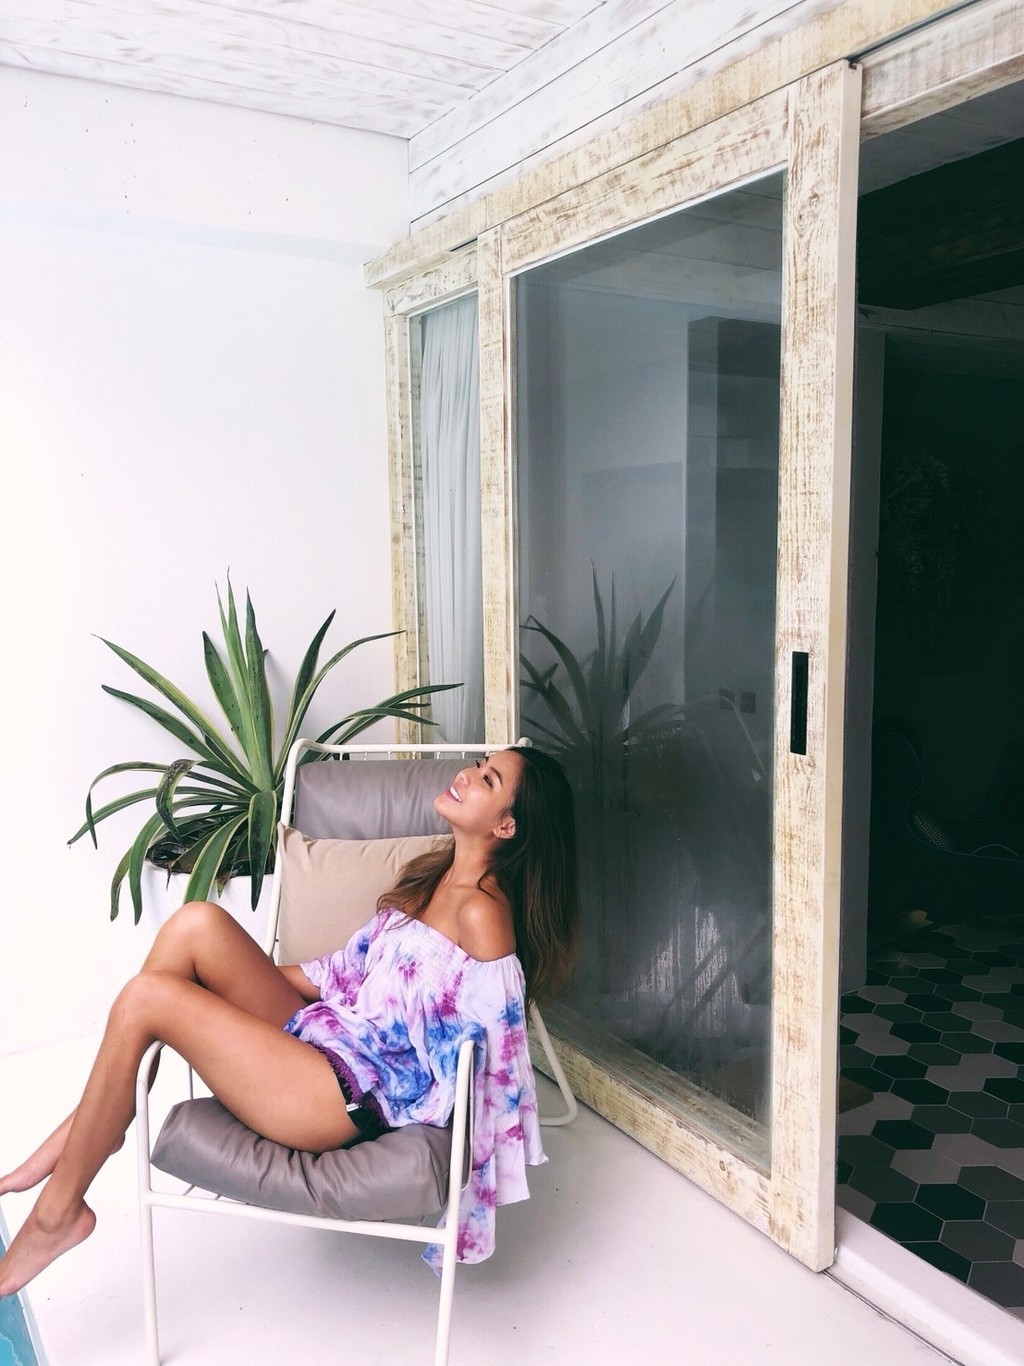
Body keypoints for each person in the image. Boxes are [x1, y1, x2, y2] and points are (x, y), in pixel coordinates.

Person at [0, 745, 579, 1295]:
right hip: (322, 1040)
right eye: (478, 764)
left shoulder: (483, 914)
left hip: (337, 1097)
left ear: (507, 826)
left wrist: (469, 1173)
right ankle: (98, 1123)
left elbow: (496, 1057)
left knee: (148, 997)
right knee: (197, 923)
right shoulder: (435, 876)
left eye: (487, 780)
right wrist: (227, 974)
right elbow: (342, 973)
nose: (467, 775)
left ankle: (59, 1212)